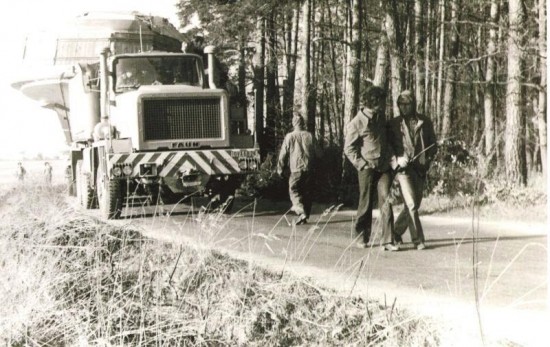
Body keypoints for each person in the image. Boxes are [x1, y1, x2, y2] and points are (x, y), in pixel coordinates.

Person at [344, 86, 399, 251]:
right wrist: (362, 164)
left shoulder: (381, 118)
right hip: (366, 168)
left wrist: (392, 158)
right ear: (373, 102)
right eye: (381, 101)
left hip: (383, 167)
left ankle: (388, 240)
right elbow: (349, 148)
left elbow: (386, 140)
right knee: (365, 202)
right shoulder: (356, 122)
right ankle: (362, 236)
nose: (384, 105)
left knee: (386, 200)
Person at [388, 90, 438, 250]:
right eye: (401, 104)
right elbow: (387, 148)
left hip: (420, 169)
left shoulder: (424, 121)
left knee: (414, 203)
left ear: (413, 104)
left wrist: (428, 159)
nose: (404, 107)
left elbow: (433, 144)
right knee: (411, 204)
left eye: (407, 104)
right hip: (403, 170)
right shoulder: (393, 124)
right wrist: (396, 160)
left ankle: (395, 232)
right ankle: (418, 240)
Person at [277, 114, 316, 225]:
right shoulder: (310, 135)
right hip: (309, 168)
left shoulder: (290, 136)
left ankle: (300, 209)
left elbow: (283, 154)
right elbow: (319, 153)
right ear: (303, 123)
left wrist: (280, 168)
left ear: (294, 123)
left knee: (293, 189)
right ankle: (305, 215)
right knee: (307, 192)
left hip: (296, 169)